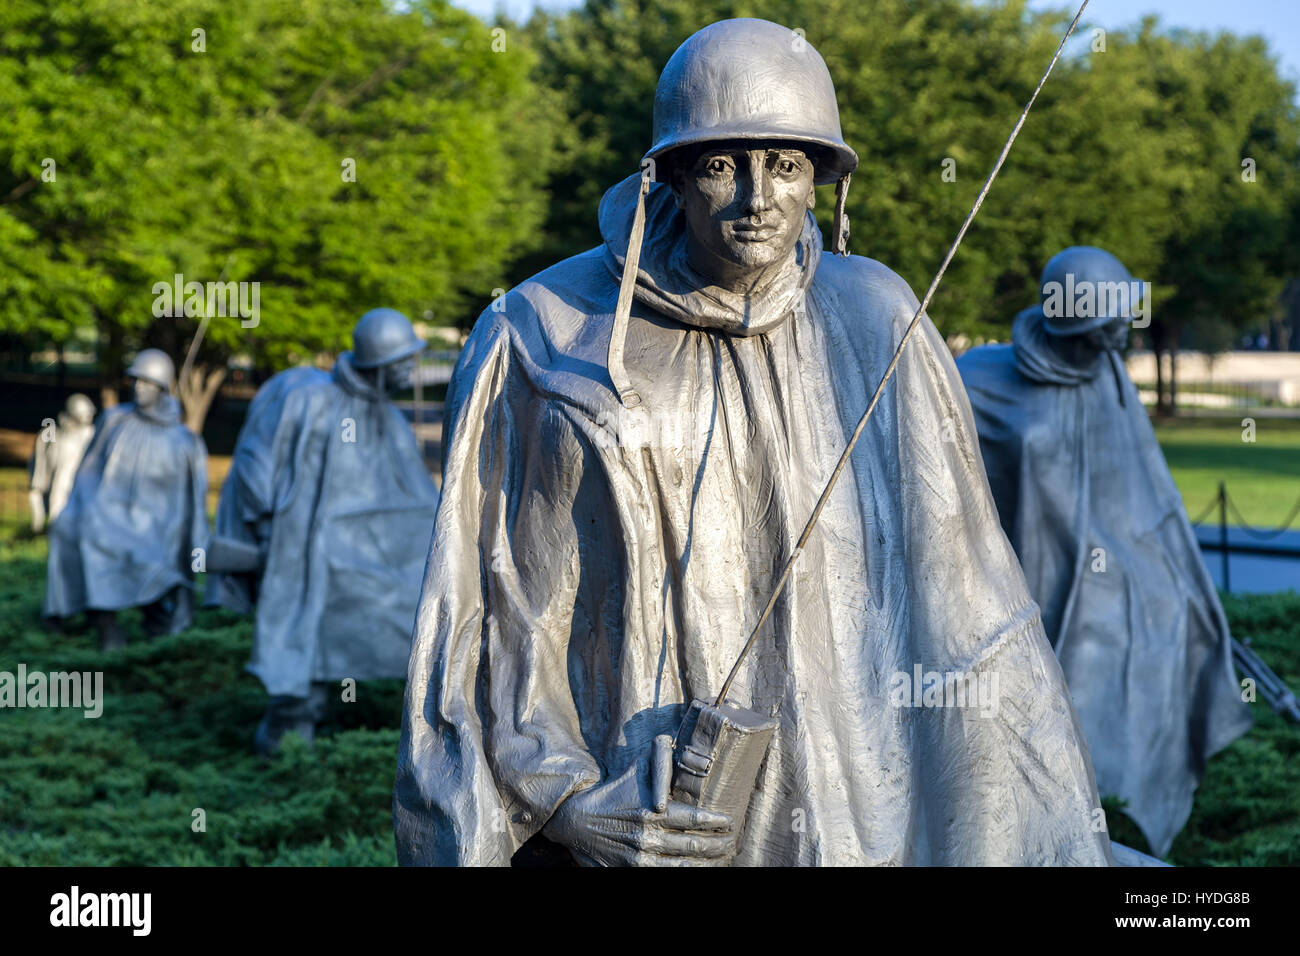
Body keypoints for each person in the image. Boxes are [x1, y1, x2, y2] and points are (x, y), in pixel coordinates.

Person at [394, 19, 1112, 866]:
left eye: (788, 163)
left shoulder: (876, 319)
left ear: (823, 181)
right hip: (631, 814)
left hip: (848, 812)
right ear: (668, 176)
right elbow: (484, 606)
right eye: (721, 163)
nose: (757, 198)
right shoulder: (542, 333)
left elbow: (966, 601)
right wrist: (563, 801)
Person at [956, 246, 1253, 857]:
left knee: (1164, 633)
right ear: (1074, 327)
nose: (1123, 338)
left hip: (1119, 574)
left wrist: (1178, 577)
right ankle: (1064, 815)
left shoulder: (1108, 378)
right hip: (1030, 582)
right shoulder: (983, 380)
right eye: (1108, 327)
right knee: (1065, 681)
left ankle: (1122, 810)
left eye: (1123, 323)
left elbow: (1147, 491)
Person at [206, 309, 441, 755]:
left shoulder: (389, 418)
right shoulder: (310, 401)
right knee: (299, 661)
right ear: (377, 362)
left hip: (362, 560)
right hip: (301, 551)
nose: (411, 370)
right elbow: (256, 466)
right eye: (402, 361)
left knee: (399, 619)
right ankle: (285, 756)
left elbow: (416, 500)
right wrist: (264, 531)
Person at [44, 349, 208, 648]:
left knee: (142, 554)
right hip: (108, 516)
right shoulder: (114, 420)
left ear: (162, 387)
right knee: (70, 528)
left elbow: (194, 504)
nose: (138, 387)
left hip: (158, 529)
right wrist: (83, 508)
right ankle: (106, 624)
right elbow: (88, 472)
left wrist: (197, 551)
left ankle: (156, 623)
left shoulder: (184, 441)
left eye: (147, 382)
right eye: (136, 380)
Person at [28, 393, 96, 532]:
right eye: (84, 414)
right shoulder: (49, 435)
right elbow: (39, 472)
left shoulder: (91, 435)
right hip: (58, 485)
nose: (87, 418)